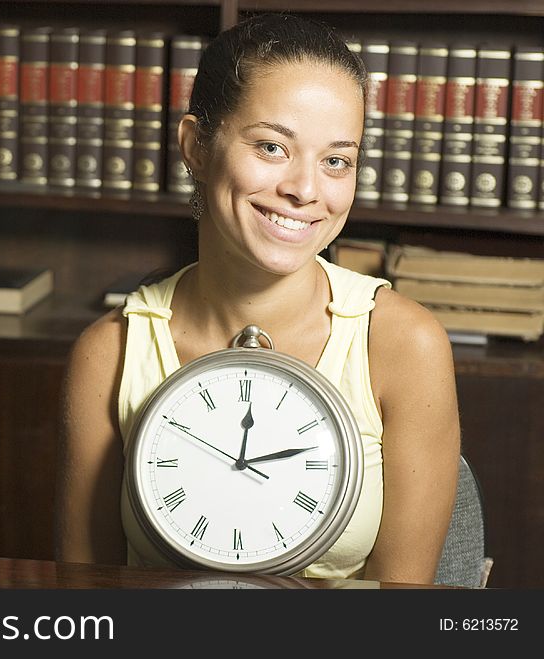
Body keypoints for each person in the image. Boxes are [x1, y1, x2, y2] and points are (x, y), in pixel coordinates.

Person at [55, 13, 461, 585]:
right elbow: (87, 605)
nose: (305, 189)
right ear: (196, 145)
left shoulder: (403, 346)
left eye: (336, 160)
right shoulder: (110, 352)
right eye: (272, 147)